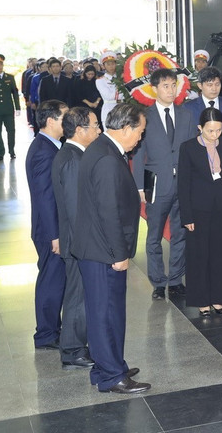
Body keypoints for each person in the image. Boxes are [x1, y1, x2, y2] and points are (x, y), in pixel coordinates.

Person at [73, 103, 150, 394]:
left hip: (98, 248)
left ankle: (109, 364)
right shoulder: (106, 157)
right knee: (105, 313)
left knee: (108, 311)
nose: (140, 138)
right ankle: (111, 375)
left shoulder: (105, 148)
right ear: (126, 128)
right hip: (103, 251)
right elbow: (108, 211)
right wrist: (119, 254)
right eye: (140, 132)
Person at [131, 68, 196, 300]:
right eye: (165, 86)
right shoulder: (144, 117)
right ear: (154, 88)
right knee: (154, 235)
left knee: (180, 233)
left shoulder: (187, 115)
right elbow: (138, 154)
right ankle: (158, 282)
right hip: (156, 183)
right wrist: (140, 186)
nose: (170, 90)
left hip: (184, 183)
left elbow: (192, 150)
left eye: (173, 85)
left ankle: (176, 279)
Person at [51, 106, 101, 369]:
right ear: (80, 130)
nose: (99, 130)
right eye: (95, 125)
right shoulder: (72, 160)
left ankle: (78, 345)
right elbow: (76, 209)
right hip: (78, 242)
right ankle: (72, 350)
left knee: (80, 295)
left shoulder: (75, 154)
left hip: (79, 240)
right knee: (77, 297)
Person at [178, 108, 222, 316]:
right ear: (200, 128)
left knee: (220, 254)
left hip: (221, 207)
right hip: (198, 209)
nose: (215, 135)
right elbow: (183, 184)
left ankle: (219, 298)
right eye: (210, 131)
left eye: (219, 130)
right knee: (199, 255)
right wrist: (186, 215)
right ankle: (201, 300)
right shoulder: (188, 148)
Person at [27, 100, 69, 353]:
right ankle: (45, 334)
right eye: (65, 117)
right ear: (51, 121)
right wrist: (55, 235)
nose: (69, 122)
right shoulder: (44, 151)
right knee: (51, 281)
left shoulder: (49, 145)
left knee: (54, 279)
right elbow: (44, 197)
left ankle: (52, 328)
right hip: (49, 230)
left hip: (51, 227)